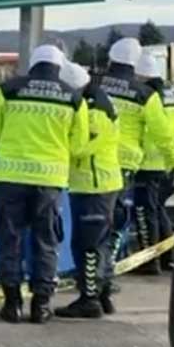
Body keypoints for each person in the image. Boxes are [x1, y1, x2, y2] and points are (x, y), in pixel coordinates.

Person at [0, 45, 90, 323]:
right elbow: (79, 146)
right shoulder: (74, 98)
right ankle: (41, 306)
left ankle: (12, 304)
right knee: (46, 242)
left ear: (32, 64)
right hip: (49, 180)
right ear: (58, 67)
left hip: (9, 178)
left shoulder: (7, 90)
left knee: (9, 239)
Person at [55, 61, 123, 319]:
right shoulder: (98, 101)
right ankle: (102, 295)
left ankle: (89, 299)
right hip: (101, 182)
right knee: (100, 243)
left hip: (93, 184)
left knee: (88, 245)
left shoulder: (93, 110)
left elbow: (82, 148)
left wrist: (58, 146)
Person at [97, 38, 172, 271]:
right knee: (119, 217)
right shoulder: (147, 95)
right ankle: (109, 267)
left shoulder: (95, 87)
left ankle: (100, 270)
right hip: (130, 163)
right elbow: (163, 133)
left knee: (95, 218)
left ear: (111, 58)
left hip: (96, 159)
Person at [132, 53, 174, 274]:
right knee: (159, 209)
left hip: (148, 164)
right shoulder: (171, 95)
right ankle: (167, 257)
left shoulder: (149, 96)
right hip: (169, 163)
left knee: (145, 213)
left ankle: (148, 260)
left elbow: (149, 129)